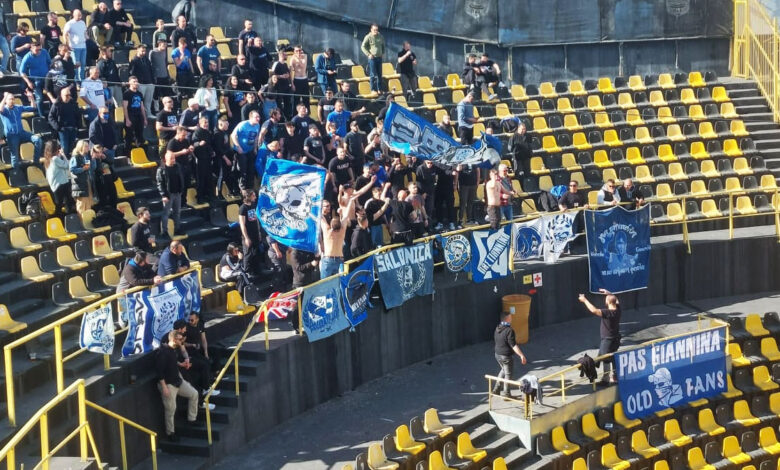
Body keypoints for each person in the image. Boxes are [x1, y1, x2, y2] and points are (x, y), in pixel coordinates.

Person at [156, 330, 199, 442]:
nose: (182, 341)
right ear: (173, 340)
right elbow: (159, 372)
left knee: (194, 394)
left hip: (177, 380)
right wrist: (164, 387)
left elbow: (173, 362)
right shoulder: (163, 352)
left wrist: (181, 364)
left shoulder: (174, 350)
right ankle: (170, 433)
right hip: (168, 384)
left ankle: (192, 419)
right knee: (171, 409)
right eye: (180, 339)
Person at [578, 289, 621, 385]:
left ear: (608, 302)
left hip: (607, 340)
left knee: (605, 358)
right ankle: (615, 376)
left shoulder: (608, 313)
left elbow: (594, 310)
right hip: (615, 339)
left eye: (606, 300)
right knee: (612, 356)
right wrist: (609, 293)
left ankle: (606, 379)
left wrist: (584, 300)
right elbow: (616, 300)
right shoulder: (618, 310)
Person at [0, 91, 43, 168]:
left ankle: (36, 161)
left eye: (13, 99)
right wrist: (5, 97)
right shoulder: (4, 110)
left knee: (38, 140)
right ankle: (16, 171)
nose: (12, 101)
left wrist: (32, 98)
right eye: (10, 99)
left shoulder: (18, 107)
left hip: (22, 133)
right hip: (12, 135)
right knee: (14, 156)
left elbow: (33, 108)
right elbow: (0, 109)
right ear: (6, 100)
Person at [492, 311, 527, 398]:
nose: (511, 319)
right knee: (508, 374)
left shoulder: (497, 328)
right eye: (510, 318)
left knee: (503, 370)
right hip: (505, 356)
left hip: (497, 354)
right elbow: (513, 345)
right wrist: (521, 355)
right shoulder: (509, 331)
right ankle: (506, 393)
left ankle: (496, 389)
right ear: (507, 319)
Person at [319, 196, 355, 277]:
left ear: (331, 225)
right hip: (340, 260)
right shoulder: (342, 231)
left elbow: (320, 217)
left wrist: (317, 203)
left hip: (328, 259)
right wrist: (350, 202)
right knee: (340, 282)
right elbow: (345, 216)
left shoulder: (327, 231)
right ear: (340, 225)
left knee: (325, 283)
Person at [18, 39, 52, 117]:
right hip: (36, 80)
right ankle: (41, 116)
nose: (39, 51)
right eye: (37, 50)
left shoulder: (44, 52)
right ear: (31, 49)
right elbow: (22, 72)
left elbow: (50, 63)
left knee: (51, 96)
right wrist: (28, 82)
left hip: (47, 78)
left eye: (40, 49)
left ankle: (52, 114)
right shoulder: (27, 57)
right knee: (39, 98)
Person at [157, 150, 185, 236]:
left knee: (177, 212)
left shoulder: (177, 166)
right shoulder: (161, 170)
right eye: (171, 158)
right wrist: (163, 195)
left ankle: (177, 229)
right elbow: (160, 184)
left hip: (177, 193)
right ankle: (164, 231)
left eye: (174, 158)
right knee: (166, 213)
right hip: (168, 195)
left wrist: (181, 189)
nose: (173, 160)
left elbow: (180, 178)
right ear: (166, 159)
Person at [231, 111, 261, 190]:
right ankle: (242, 188)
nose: (258, 119)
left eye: (259, 117)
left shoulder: (257, 125)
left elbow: (256, 137)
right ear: (251, 117)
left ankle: (250, 187)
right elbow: (233, 135)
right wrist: (238, 147)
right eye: (256, 117)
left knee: (251, 169)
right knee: (242, 169)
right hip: (241, 150)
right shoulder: (243, 125)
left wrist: (255, 148)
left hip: (250, 150)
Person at [42, 140, 73, 216]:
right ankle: (66, 218)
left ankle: (62, 218)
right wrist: (63, 154)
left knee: (59, 204)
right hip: (61, 184)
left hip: (56, 185)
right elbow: (67, 165)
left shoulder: (48, 159)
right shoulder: (55, 158)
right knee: (66, 203)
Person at [48, 87, 81, 156]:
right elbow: (50, 117)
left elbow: (78, 115)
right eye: (66, 95)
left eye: (69, 95)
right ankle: (63, 161)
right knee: (64, 148)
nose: (68, 97)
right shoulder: (57, 104)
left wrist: (78, 126)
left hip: (73, 128)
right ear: (61, 95)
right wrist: (58, 127)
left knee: (72, 148)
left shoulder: (73, 103)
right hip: (63, 129)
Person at [238, 189, 263, 276]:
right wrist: (246, 238)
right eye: (253, 196)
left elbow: (256, 220)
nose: (255, 197)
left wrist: (259, 232)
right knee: (248, 254)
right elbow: (242, 224)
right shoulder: (243, 208)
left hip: (255, 233)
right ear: (248, 197)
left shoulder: (253, 205)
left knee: (256, 253)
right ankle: (247, 272)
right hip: (248, 235)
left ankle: (257, 271)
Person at [191, 115, 214, 203]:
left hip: (207, 158)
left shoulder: (208, 132)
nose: (206, 124)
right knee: (201, 179)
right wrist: (199, 144)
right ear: (200, 124)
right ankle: (200, 197)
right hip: (200, 159)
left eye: (207, 122)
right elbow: (193, 144)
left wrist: (212, 152)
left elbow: (209, 144)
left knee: (209, 178)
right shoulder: (197, 133)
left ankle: (209, 196)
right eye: (205, 122)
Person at [129, 44, 155, 118]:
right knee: (139, 101)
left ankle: (148, 114)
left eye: (145, 51)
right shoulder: (134, 60)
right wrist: (135, 83)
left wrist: (152, 82)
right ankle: (140, 115)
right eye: (142, 51)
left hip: (149, 83)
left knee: (148, 101)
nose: (144, 52)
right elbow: (131, 73)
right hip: (141, 84)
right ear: (137, 50)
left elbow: (150, 70)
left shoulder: (146, 59)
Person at [69, 140, 94, 214]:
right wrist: (83, 169)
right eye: (86, 146)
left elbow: (90, 168)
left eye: (88, 146)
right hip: (79, 185)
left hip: (86, 182)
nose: (88, 148)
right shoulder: (75, 157)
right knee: (82, 205)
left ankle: (88, 219)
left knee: (88, 203)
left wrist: (92, 159)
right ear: (81, 147)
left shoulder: (86, 157)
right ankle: (81, 220)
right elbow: (72, 170)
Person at [63, 9, 88, 82]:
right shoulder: (69, 23)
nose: (80, 17)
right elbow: (65, 34)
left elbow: (85, 33)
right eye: (78, 15)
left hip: (83, 46)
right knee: (76, 65)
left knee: (83, 64)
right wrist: (67, 44)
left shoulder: (82, 22)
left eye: (80, 15)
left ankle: (82, 80)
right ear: (74, 15)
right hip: (74, 47)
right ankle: (76, 80)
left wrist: (87, 39)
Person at [123, 76, 147, 148]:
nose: (136, 83)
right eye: (134, 82)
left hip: (139, 116)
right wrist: (127, 119)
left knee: (140, 135)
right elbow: (125, 107)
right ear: (129, 83)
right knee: (129, 136)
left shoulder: (140, 93)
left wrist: (144, 118)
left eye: (137, 81)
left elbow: (142, 107)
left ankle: (140, 150)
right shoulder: (127, 93)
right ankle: (127, 152)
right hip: (131, 116)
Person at [361, 24, 385, 93]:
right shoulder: (368, 37)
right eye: (374, 30)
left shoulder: (380, 36)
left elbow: (383, 45)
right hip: (372, 58)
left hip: (379, 58)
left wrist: (383, 53)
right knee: (373, 74)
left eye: (377, 30)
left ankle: (379, 89)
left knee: (380, 74)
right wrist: (368, 54)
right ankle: (372, 89)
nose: (376, 31)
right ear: (371, 30)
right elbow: (363, 47)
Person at [269, 52, 293, 119]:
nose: (286, 56)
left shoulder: (285, 64)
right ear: (281, 55)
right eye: (285, 55)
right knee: (279, 102)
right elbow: (272, 74)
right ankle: (280, 117)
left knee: (288, 102)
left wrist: (288, 75)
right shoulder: (276, 63)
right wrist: (281, 76)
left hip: (286, 86)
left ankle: (288, 116)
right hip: (279, 86)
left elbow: (288, 73)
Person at [0, 2, 10, 76]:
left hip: (1, 33)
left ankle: (2, 69)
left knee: (7, 52)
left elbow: (4, 22)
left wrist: (7, 33)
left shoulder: (1, 9)